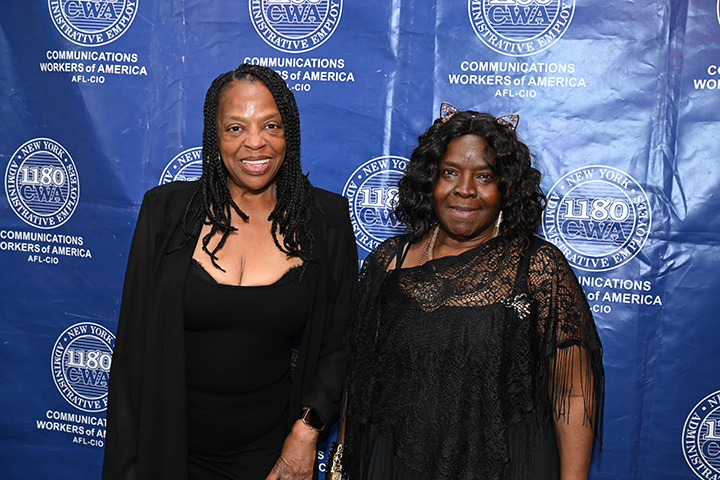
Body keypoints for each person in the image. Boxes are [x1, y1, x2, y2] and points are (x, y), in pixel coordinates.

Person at [102, 64, 358, 480]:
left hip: (269, 456)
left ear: (289, 133)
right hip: (168, 448)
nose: (255, 142)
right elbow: (133, 355)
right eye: (235, 128)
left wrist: (308, 429)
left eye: (270, 125)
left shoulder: (324, 220)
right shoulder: (165, 212)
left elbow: (339, 343)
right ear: (214, 136)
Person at [341, 104, 604, 480]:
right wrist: (342, 466)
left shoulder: (538, 266)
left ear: (506, 187)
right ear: (430, 180)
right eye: (450, 172)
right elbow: (359, 382)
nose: (464, 189)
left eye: (484, 176)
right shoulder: (389, 262)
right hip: (399, 464)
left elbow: (572, 394)